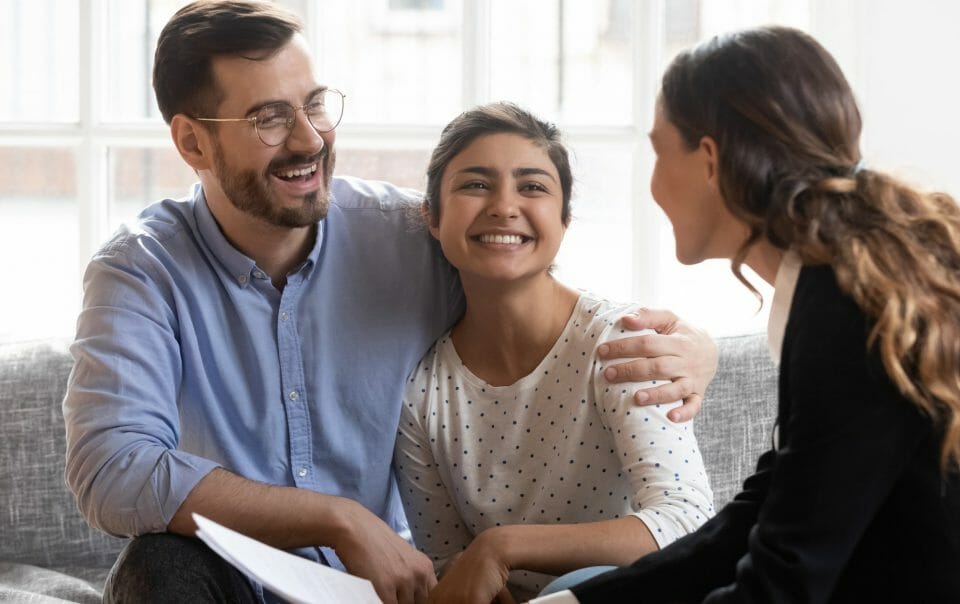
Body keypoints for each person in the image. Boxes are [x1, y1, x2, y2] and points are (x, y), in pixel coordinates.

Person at [61, 2, 719, 603]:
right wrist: (336, 518)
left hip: (381, 595)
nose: (309, 138)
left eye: (314, 104)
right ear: (192, 142)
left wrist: (696, 345)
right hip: (231, 588)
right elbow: (112, 469)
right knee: (157, 564)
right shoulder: (140, 271)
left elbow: (525, 270)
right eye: (269, 117)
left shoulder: (408, 235)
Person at [533, 25, 960, 604]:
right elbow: (763, 513)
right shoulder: (831, 280)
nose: (653, 183)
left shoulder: (845, 306)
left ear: (709, 161)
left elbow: (784, 580)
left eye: (659, 153)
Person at [393, 103, 714, 604]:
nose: (504, 206)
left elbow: (684, 521)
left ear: (564, 220)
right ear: (432, 217)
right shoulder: (421, 393)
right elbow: (451, 569)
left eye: (533, 186)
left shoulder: (620, 346)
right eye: (475, 184)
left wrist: (502, 547)